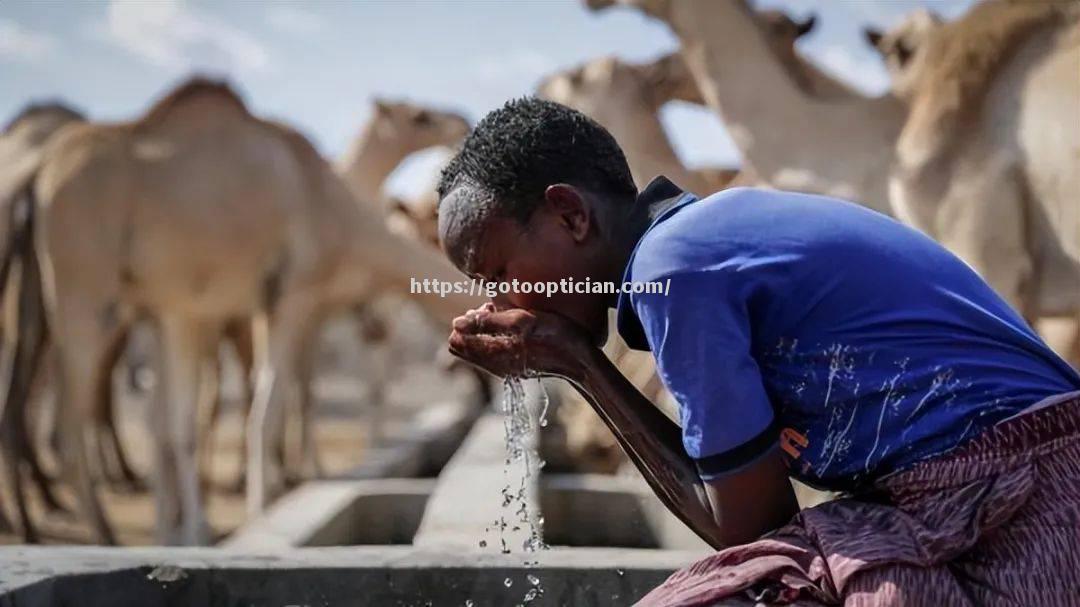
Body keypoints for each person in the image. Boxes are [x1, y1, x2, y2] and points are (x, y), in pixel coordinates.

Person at [436, 97, 1080, 606]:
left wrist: (579, 364)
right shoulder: (700, 239)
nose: (496, 304)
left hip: (1025, 501)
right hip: (985, 495)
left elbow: (754, 539)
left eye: (496, 274)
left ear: (570, 216)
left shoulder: (675, 268)